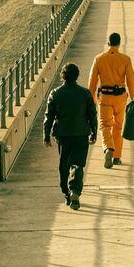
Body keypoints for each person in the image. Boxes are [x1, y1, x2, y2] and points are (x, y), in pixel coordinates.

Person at [44, 63, 98, 210]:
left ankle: (67, 194)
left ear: (63, 76)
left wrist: (46, 135)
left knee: (64, 164)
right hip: (81, 133)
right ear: (77, 76)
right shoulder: (85, 93)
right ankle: (74, 190)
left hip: (63, 134)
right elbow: (92, 114)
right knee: (78, 164)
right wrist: (94, 132)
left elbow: (49, 116)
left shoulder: (55, 93)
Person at [88, 32, 134, 169]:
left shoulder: (99, 59)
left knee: (104, 125)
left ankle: (108, 148)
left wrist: (91, 101)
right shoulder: (125, 59)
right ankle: (117, 157)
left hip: (104, 97)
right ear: (119, 43)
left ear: (108, 43)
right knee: (118, 126)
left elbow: (92, 82)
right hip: (120, 98)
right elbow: (131, 81)